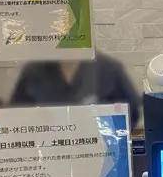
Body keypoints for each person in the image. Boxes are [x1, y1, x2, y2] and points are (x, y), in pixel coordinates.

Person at [9, 51, 142, 126]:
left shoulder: (108, 68)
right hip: (46, 156)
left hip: (99, 156)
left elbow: (132, 113)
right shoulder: (33, 71)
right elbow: (15, 117)